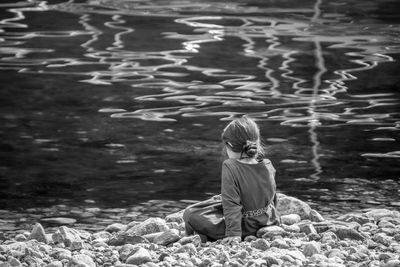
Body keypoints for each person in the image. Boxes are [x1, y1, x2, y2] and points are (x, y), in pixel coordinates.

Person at [183, 116, 280, 244]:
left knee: (190, 213)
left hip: (244, 227)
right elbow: (273, 196)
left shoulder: (230, 166)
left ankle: (202, 236)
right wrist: (275, 219)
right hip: (267, 221)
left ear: (229, 145)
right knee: (217, 200)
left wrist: (233, 233)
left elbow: (231, 204)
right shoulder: (267, 164)